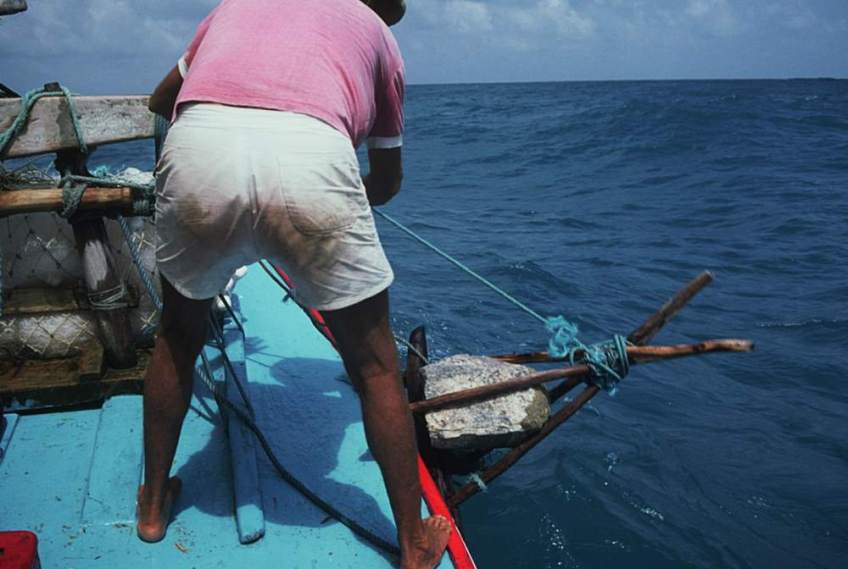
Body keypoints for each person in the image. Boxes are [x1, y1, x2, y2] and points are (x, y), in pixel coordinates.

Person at [136, 1, 452, 567]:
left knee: (178, 339)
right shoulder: (377, 33)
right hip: (312, 160)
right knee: (377, 367)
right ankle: (411, 542)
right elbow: (387, 179)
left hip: (199, 150)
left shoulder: (237, 5)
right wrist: (317, 200)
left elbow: (162, 102)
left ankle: (154, 509)